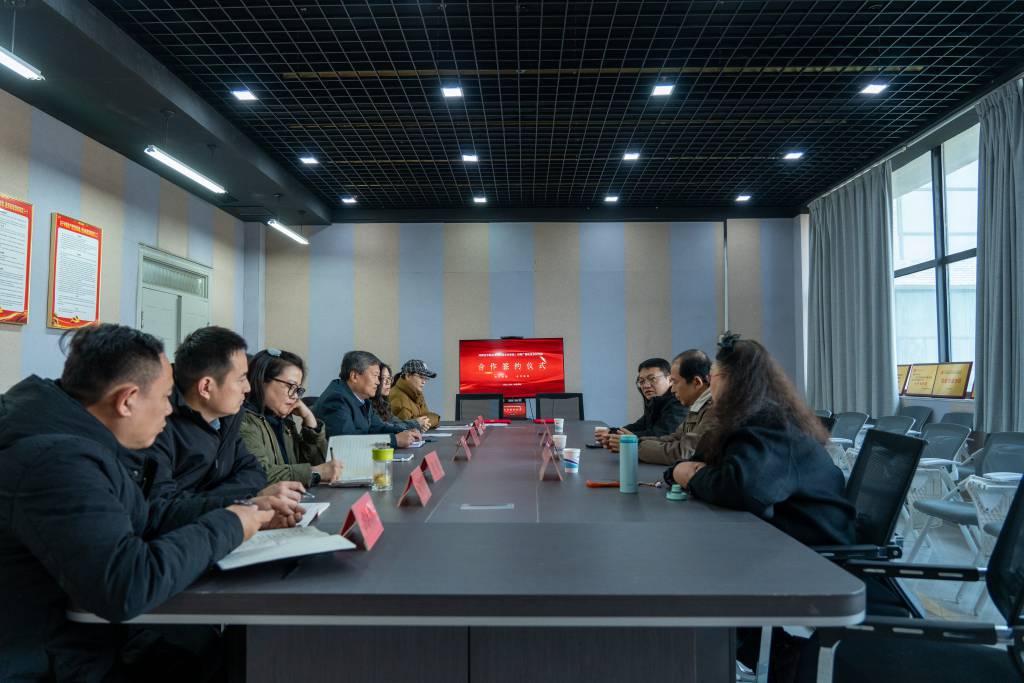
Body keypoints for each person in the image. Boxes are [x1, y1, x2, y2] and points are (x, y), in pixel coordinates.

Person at [0, 324, 299, 680]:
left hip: (85, 641)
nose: (170, 411)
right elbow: (127, 584)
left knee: (222, 650)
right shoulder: (57, 461)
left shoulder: (91, 438)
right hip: (49, 660)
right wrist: (230, 524)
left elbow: (148, 515)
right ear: (127, 400)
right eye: (164, 397)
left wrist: (249, 511)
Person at [133, 326, 272, 499]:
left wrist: (222, 500)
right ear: (206, 387)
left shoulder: (228, 416)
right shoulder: (157, 425)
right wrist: (238, 502)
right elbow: (161, 503)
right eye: (241, 379)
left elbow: (253, 471)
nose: (248, 388)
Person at [240, 348, 343, 487]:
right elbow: (259, 474)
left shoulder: (283, 420)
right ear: (262, 379)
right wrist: (315, 472)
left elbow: (318, 465)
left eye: (297, 389)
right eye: (290, 386)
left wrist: (310, 421)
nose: (294, 396)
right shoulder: (244, 421)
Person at [313, 351, 421, 448]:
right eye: (375, 376)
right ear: (354, 376)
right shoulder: (336, 400)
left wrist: (405, 431)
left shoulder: (362, 398)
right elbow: (346, 444)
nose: (378, 382)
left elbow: (378, 428)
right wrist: (394, 440)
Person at [634, 349, 717, 466]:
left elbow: (683, 453)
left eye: (675, 382)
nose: (672, 389)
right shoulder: (697, 406)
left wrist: (633, 447)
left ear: (697, 382)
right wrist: (635, 442)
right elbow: (675, 438)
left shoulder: (715, 410)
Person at [603, 358, 687, 452]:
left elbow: (660, 435)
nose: (646, 386)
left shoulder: (678, 403)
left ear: (670, 379)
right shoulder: (656, 401)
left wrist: (626, 439)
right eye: (642, 381)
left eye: (652, 379)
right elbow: (639, 426)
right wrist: (611, 432)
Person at [370, 363, 429, 432]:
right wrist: (416, 423)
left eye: (389, 378)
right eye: (383, 378)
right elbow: (387, 427)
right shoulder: (398, 396)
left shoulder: (383, 403)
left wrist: (417, 424)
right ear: (408, 376)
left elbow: (395, 422)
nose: (388, 382)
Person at [389, 359, 442, 429]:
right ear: (408, 376)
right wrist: (420, 423)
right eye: (421, 377)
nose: (424, 382)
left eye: (425, 378)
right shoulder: (399, 398)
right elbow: (405, 428)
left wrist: (423, 422)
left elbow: (427, 418)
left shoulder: (417, 394)